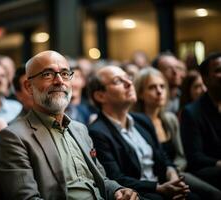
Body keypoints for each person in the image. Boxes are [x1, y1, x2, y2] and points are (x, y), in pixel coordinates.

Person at [0, 51, 139, 200]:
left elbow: (101, 180)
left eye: (64, 74)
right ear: (28, 86)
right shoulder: (13, 137)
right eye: (47, 74)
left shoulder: (80, 129)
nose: (59, 81)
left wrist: (118, 190)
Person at [88, 65, 193, 200]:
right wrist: (158, 188)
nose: (130, 83)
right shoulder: (97, 132)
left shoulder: (143, 120)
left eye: (128, 78)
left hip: (163, 184)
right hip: (138, 194)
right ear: (100, 96)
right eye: (118, 81)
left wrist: (172, 174)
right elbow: (115, 178)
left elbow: (162, 156)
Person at [133, 67, 221, 199]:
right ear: (140, 93)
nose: (159, 91)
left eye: (162, 86)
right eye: (152, 87)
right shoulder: (133, 123)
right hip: (153, 177)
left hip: (178, 172)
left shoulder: (170, 119)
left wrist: (173, 173)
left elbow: (181, 156)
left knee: (214, 193)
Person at [181, 52, 221, 190]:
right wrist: (218, 162)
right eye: (218, 71)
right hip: (206, 169)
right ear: (205, 79)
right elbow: (195, 157)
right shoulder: (192, 112)